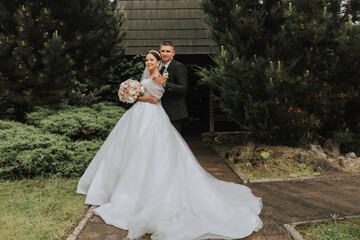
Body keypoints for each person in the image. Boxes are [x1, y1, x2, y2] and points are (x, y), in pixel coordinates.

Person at [77, 50, 262, 240]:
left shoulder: (157, 77)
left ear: (158, 62)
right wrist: (130, 91)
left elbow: (154, 99)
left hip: (151, 116)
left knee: (150, 152)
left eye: (152, 60)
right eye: (147, 60)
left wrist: (134, 97)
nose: (148, 62)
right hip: (137, 116)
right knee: (128, 150)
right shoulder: (148, 75)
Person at [158, 41, 188, 134]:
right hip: (160, 111)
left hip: (175, 112)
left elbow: (183, 88)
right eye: (163, 51)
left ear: (173, 53)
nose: (165, 54)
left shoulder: (178, 66)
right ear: (159, 52)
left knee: (174, 142)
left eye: (168, 51)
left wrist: (165, 84)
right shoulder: (158, 68)